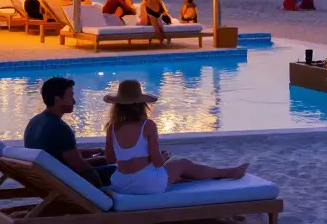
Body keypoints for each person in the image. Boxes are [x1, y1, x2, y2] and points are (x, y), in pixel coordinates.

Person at [103, 79, 248, 195]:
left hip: (121, 185)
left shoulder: (112, 127)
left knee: (171, 170)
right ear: (142, 105)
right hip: (147, 185)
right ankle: (227, 172)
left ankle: (180, 177)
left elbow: (110, 159)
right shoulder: (147, 125)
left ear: (118, 106)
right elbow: (158, 163)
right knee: (181, 162)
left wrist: (131, 159)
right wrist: (162, 158)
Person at [24, 77, 112, 187]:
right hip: (67, 183)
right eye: (70, 96)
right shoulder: (59, 128)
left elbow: (63, 153)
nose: (74, 101)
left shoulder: (35, 121)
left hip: (49, 178)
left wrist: (98, 152)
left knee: (104, 159)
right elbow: (82, 167)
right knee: (117, 169)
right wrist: (102, 195)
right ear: (57, 99)